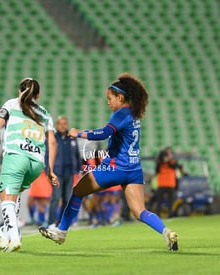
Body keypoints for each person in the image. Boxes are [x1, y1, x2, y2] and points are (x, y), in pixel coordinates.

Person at [39, 73, 179, 251]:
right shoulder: (134, 114)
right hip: (134, 168)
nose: (108, 102)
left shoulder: (121, 114)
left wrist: (79, 133)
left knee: (77, 191)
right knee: (139, 211)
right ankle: (167, 233)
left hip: (116, 167)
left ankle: (61, 232)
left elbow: (104, 133)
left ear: (120, 97)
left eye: (110, 98)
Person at [0, 77, 58, 252]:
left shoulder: (11, 104)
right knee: (14, 196)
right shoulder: (45, 113)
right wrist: (51, 170)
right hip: (37, 163)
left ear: (20, 90)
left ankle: (15, 237)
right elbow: (52, 143)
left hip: (16, 156)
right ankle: (5, 233)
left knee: (6, 198)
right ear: (37, 95)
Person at [47, 116, 81, 227]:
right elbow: (46, 156)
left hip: (69, 172)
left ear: (67, 124)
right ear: (57, 125)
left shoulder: (72, 138)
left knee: (67, 199)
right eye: (60, 123)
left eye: (64, 123)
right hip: (57, 172)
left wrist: (79, 170)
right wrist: (49, 171)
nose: (62, 125)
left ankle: (62, 222)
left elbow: (77, 154)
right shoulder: (52, 138)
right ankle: (51, 222)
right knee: (56, 198)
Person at [155, 147, 182, 218]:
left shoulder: (173, 161)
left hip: (170, 184)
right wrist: (162, 160)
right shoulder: (160, 162)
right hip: (161, 184)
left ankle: (170, 215)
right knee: (159, 201)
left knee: (170, 201)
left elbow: (175, 167)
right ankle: (158, 215)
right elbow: (157, 170)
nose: (168, 155)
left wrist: (168, 160)